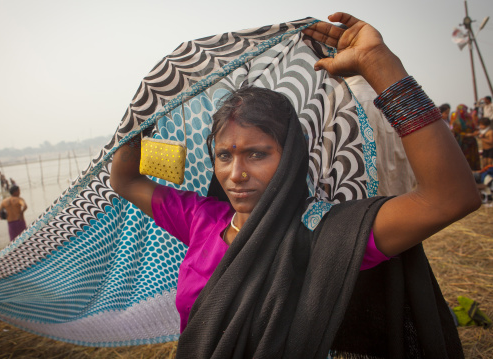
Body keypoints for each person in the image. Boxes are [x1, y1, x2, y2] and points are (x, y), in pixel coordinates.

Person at [110, 12, 480, 357]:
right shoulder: (202, 219)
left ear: (290, 157)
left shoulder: (326, 233)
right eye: (224, 155)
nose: (235, 173)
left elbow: (449, 198)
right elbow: (124, 180)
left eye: (256, 154)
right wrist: (146, 112)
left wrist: (380, 65)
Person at [451, 104, 482, 170]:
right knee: (465, 161)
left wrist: (476, 130)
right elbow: (458, 133)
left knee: (472, 159)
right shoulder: (456, 122)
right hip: (463, 144)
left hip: (472, 143)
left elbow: (473, 128)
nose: (465, 112)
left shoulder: (469, 119)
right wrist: (470, 134)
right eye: (463, 110)